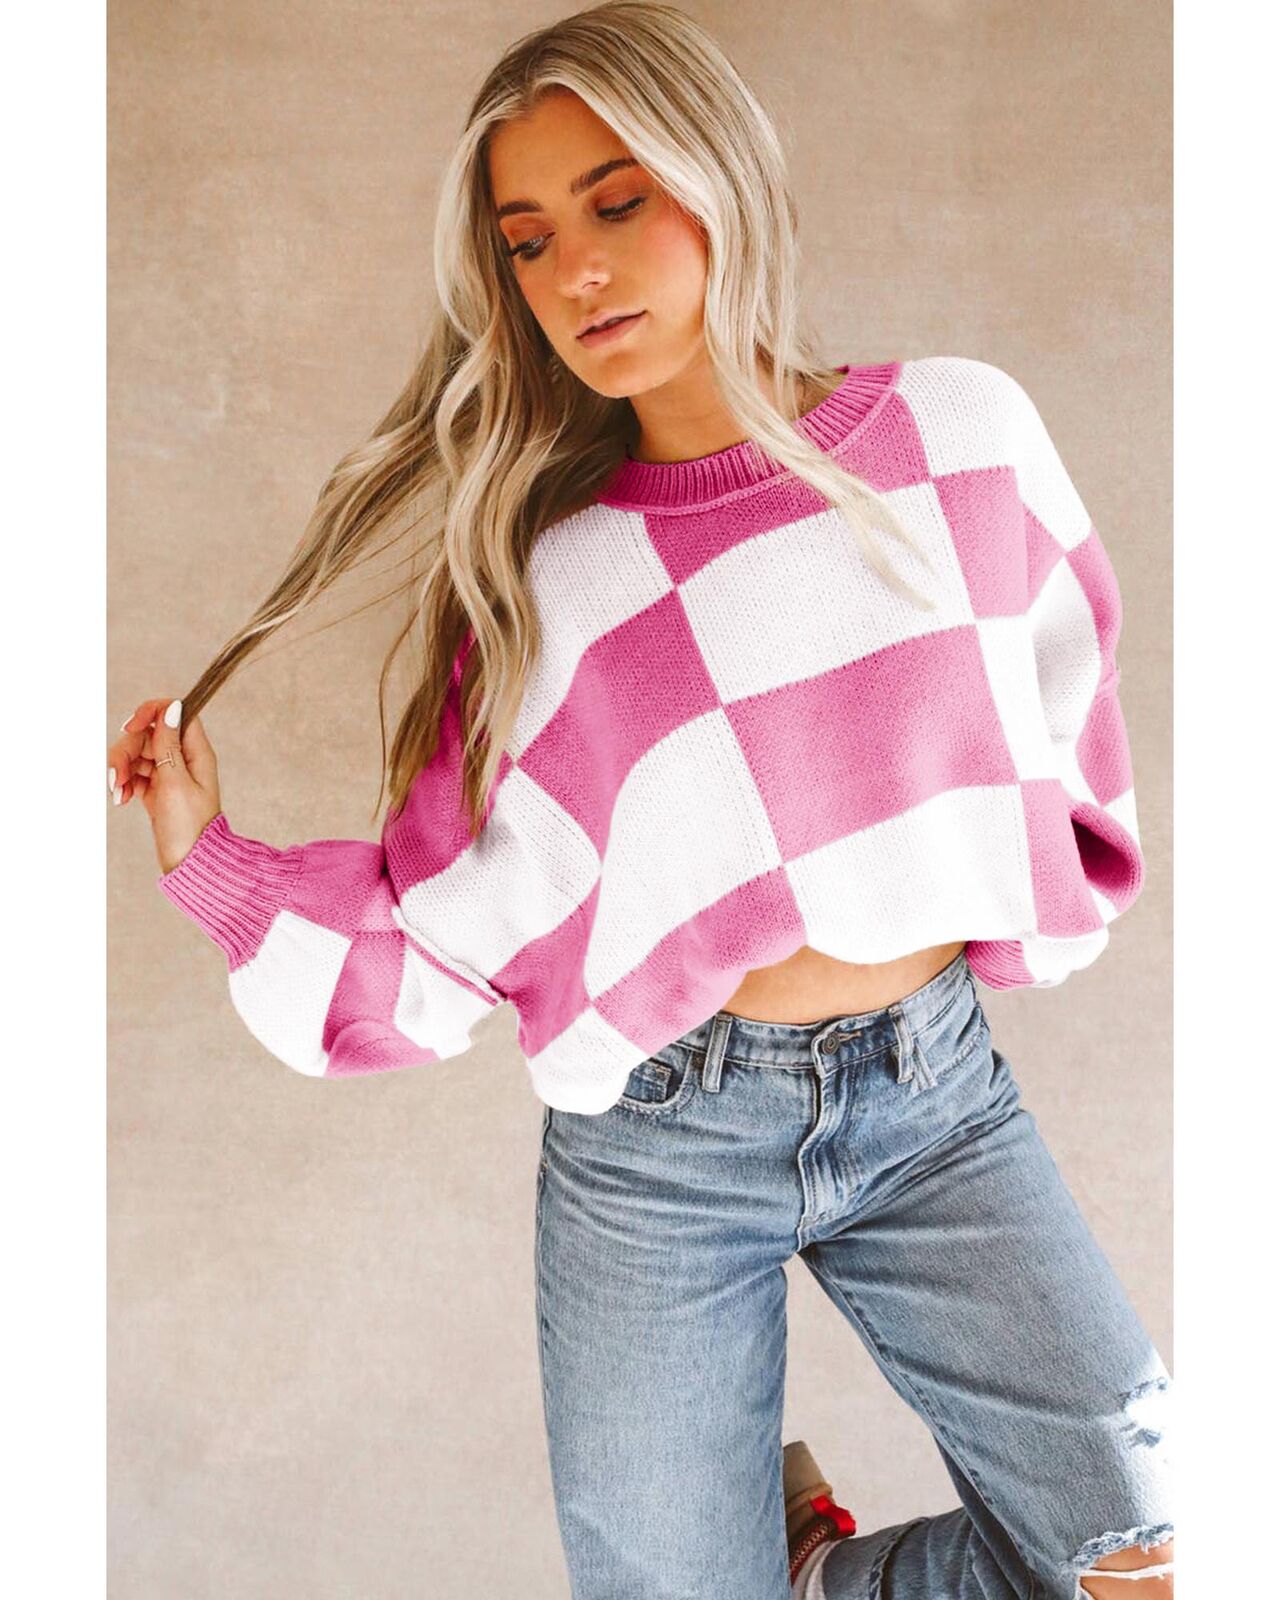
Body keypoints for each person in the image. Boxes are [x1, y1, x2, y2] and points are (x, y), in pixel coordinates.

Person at [107, 4, 1173, 1596]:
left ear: (720, 175)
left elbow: (1062, 720)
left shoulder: (961, 434)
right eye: (530, 241)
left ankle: (817, 1579)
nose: (578, 273)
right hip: (668, 1149)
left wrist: (1017, 905)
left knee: (1143, 1560)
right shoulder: (560, 581)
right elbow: (454, 922)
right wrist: (211, 859)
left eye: (618, 201)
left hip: (936, 1097)